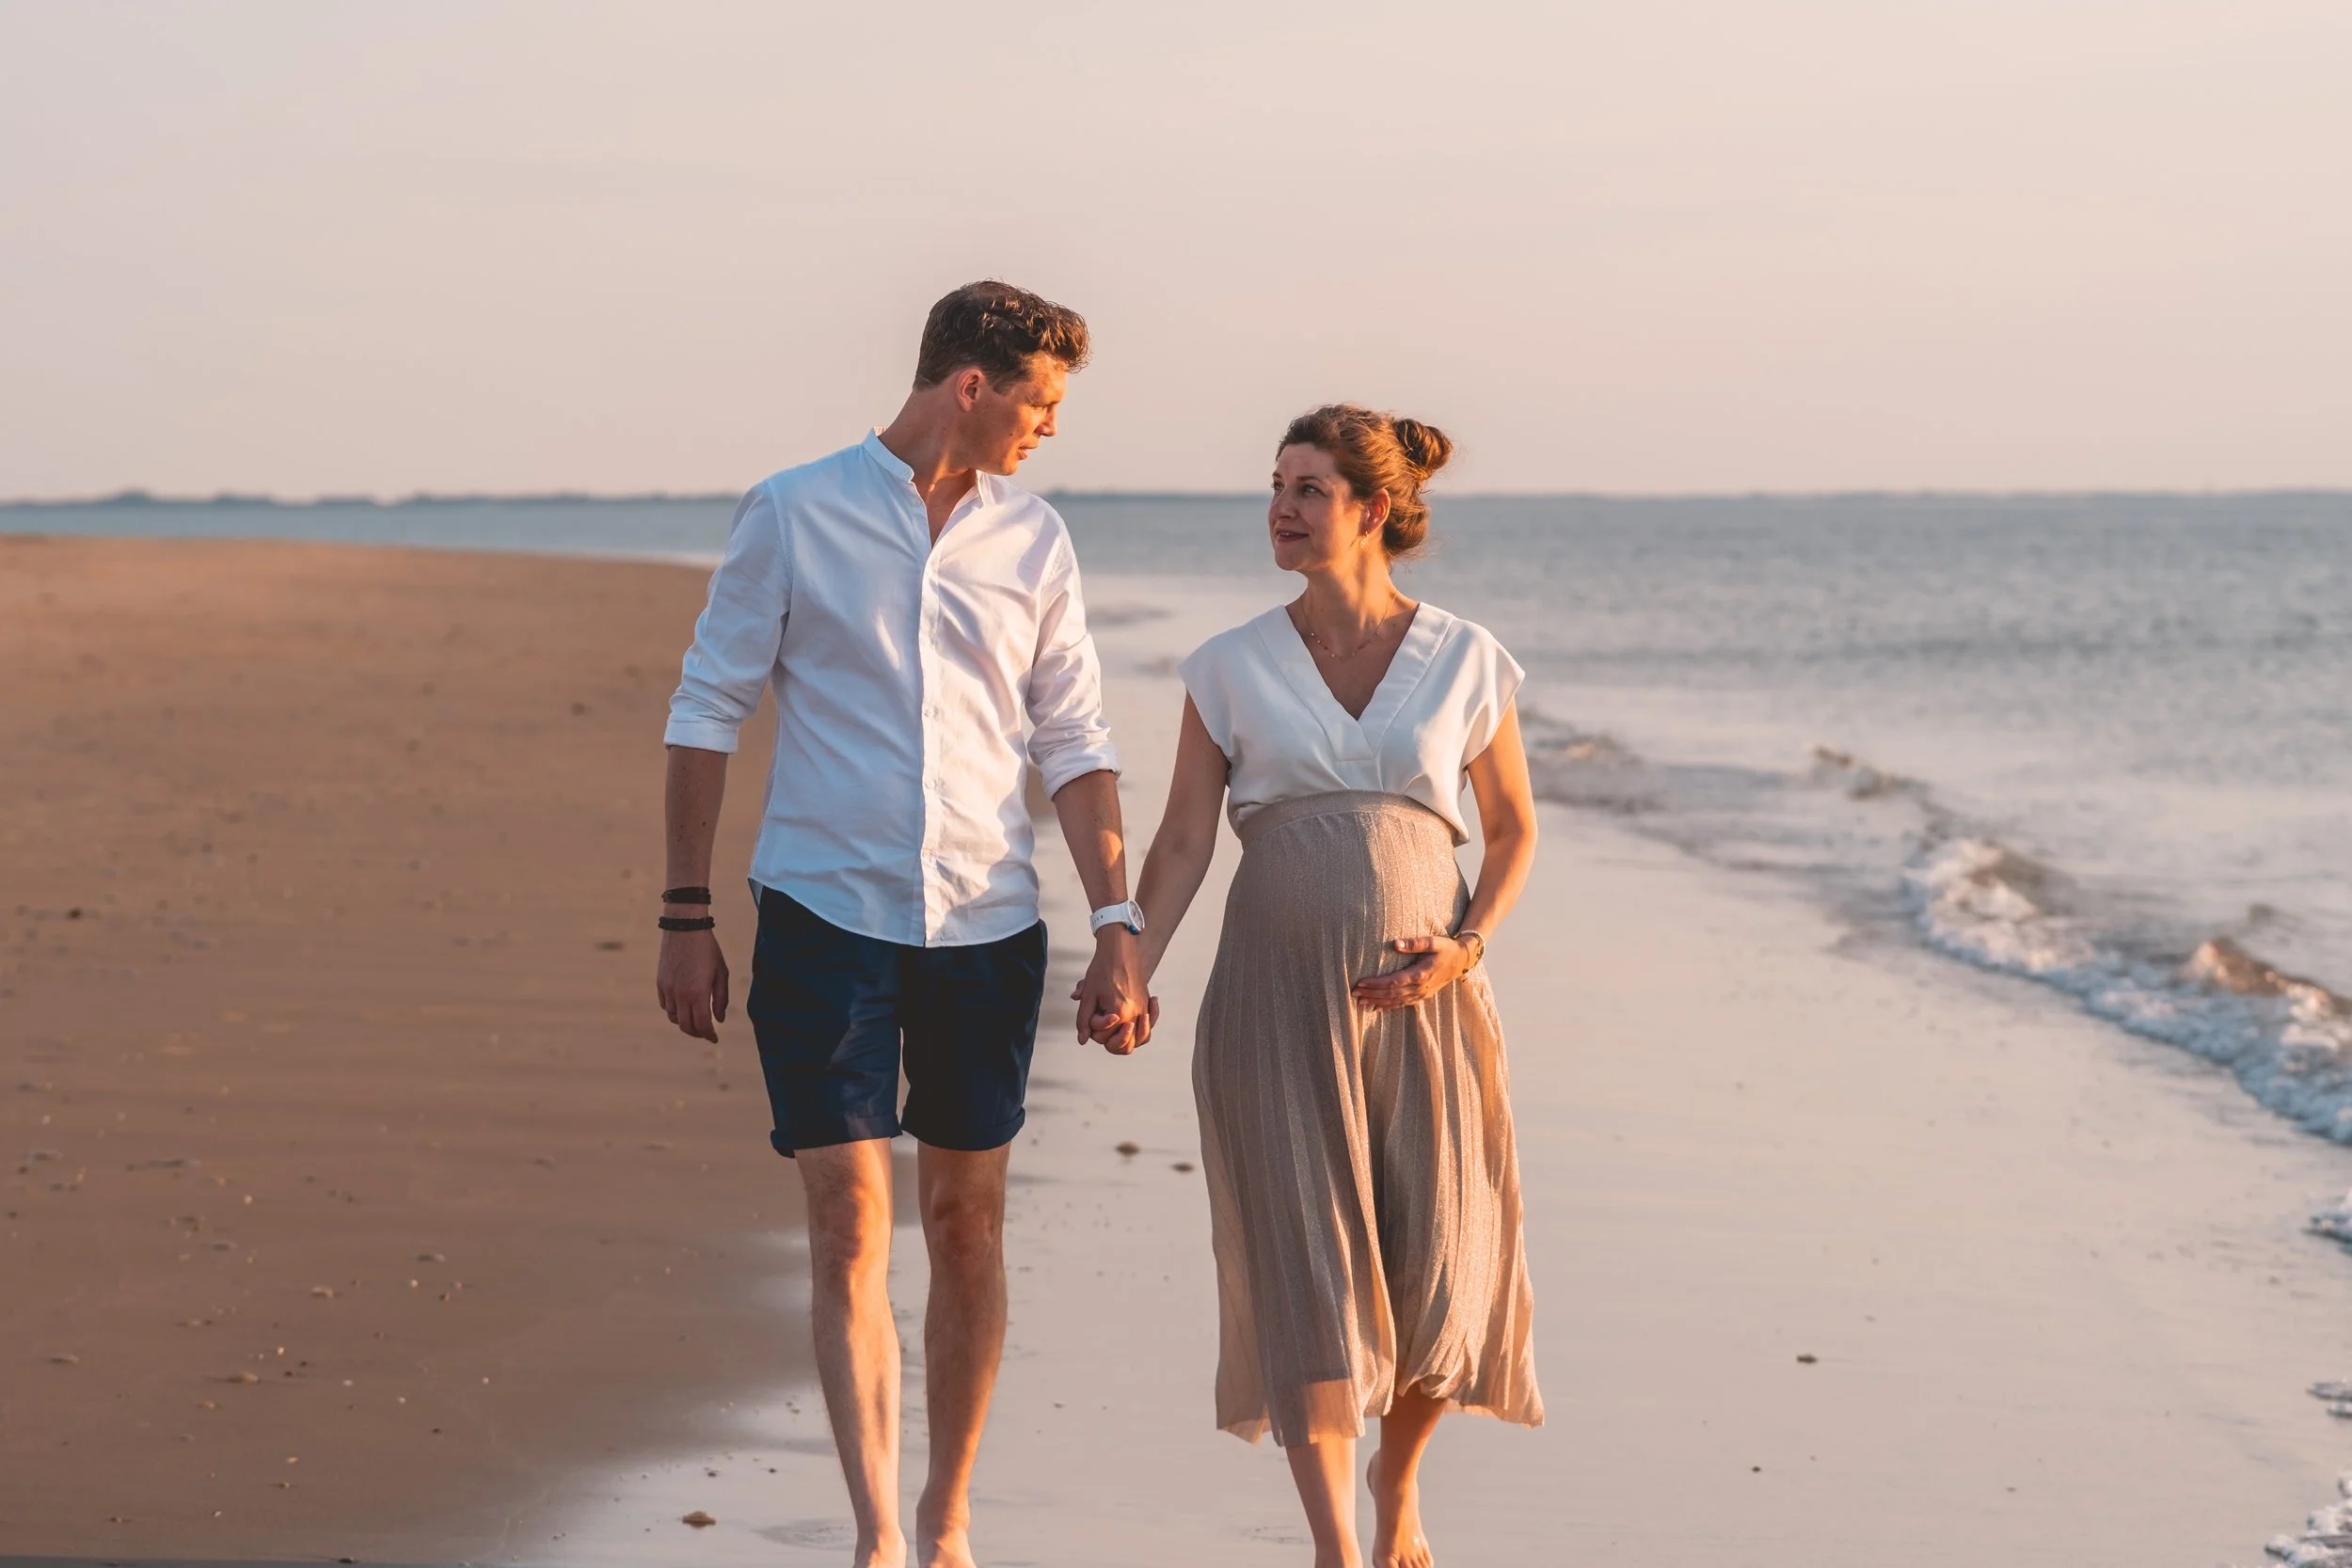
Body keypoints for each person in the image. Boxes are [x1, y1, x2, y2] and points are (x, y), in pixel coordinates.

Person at [655, 280, 1153, 1568]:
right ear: (971, 386)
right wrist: (685, 911)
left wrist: (1117, 919)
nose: (1050, 427)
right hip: (825, 911)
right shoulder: (794, 510)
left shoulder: (1035, 539)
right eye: (1040, 400)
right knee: (850, 1219)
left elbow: (1076, 737)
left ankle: (948, 1515)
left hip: (988, 918)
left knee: (970, 1220)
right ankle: (879, 1529)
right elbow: (708, 708)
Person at [1127, 405, 1544, 1568]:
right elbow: (1178, 847)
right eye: (1275, 484)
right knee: (1307, 1263)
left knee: (1444, 1265)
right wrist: (1129, 966)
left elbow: (1509, 834)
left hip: (1430, 1002)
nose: (1282, 506)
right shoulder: (1224, 666)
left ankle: (1396, 1484)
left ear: (1371, 509)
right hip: (1274, 1008)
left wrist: (1465, 948)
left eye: (1308, 487)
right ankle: (1334, 1547)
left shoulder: (1466, 657)